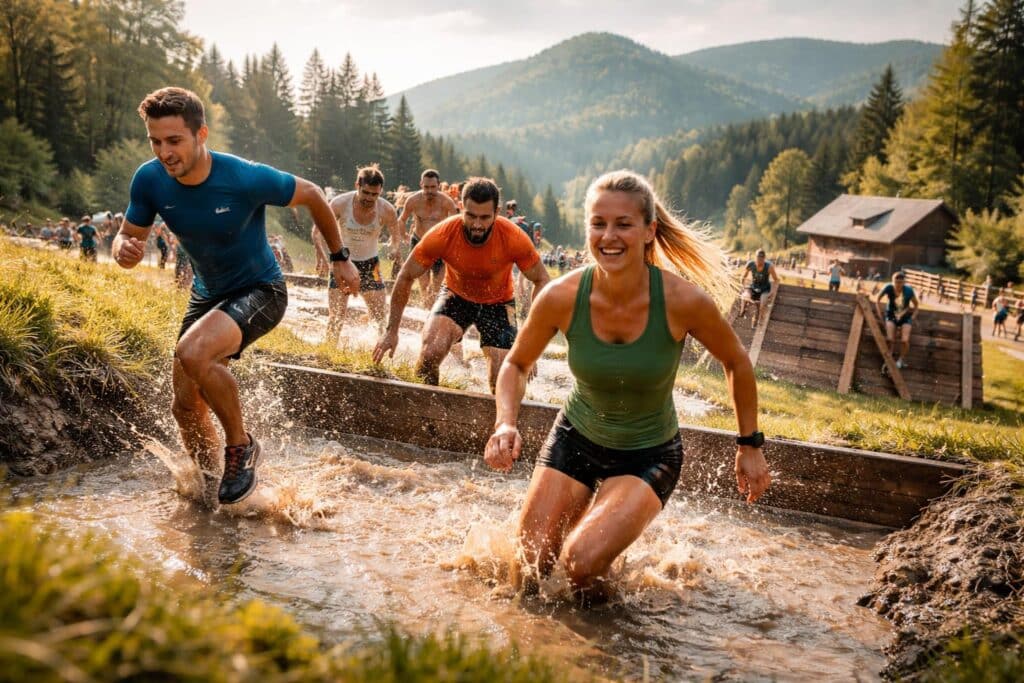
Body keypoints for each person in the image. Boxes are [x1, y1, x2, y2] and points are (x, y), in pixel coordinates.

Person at [483, 170, 770, 598]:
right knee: (527, 567)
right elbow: (516, 365)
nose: (608, 236)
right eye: (598, 223)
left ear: (649, 231)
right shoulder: (562, 296)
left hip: (647, 454)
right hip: (576, 438)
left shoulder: (681, 300)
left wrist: (750, 445)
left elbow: (736, 362)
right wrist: (506, 422)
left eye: (623, 224)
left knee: (580, 567)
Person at [111, 86, 359, 507]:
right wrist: (124, 250)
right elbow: (126, 239)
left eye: (174, 141)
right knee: (184, 407)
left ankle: (241, 446)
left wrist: (339, 258)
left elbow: (314, 194)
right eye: (155, 141)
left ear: (201, 133)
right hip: (208, 296)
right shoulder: (149, 180)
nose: (164, 153)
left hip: (261, 290)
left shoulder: (243, 177)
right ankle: (213, 491)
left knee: (193, 353)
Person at [374, 177, 550, 391]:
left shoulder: (514, 238)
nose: (477, 225)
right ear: (461, 208)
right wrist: (391, 331)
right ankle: (427, 419)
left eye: (485, 217)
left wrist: (530, 345)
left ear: (497, 212)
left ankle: (497, 422)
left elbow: (542, 280)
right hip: (456, 296)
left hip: (499, 304)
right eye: (471, 216)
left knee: (503, 380)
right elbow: (405, 276)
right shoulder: (443, 233)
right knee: (430, 354)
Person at [313, 165, 402, 343]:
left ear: (381, 191)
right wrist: (322, 257)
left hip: (370, 264)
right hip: (342, 263)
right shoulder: (339, 204)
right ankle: (328, 353)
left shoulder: (387, 210)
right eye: (366, 193)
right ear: (357, 186)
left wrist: (394, 250)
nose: (369, 198)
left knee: (380, 318)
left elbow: (396, 238)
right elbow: (317, 232)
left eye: (374, 194)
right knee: (336, 317)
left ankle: (378, 357)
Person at [397, 169, 459, 306]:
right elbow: (401, 220)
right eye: (426, 187)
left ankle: (431, 312)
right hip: (419, 242)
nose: (429, 191)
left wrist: (452, 242)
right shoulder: (413, 200)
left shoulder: (446, 202)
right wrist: (404, 235)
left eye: (433, 187)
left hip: (440, 245)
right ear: (421, 184)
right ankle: (425, 311)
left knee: (436, 288)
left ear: (438, 185)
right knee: (424, 286)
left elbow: (457, 222)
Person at [875, 271, 919, 370]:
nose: (898, 284)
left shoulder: (908, 290)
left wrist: (913, 317)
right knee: (890, 339)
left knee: (904, 340)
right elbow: (877, 299)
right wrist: (880, 314)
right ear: (892, 281)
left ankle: (901, 360)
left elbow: (916, 305)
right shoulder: (888, 288)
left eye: (901, 282)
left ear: (904, 282)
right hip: (891, 315)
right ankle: (889, 358)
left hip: (905, 317)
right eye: (896, 282)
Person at [738, 249, 779, 328]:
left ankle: (761, 319)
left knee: (763, 302)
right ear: (755, 258)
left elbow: (776, 280)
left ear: (764, 259)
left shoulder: (769, 267)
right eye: (758, 258)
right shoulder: (750, 264)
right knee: (744, 296)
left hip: (764, 289)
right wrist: (742, 286)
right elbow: (743, 276)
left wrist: (772, 291)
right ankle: (742, 310)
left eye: (761, 258)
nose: (759, 260)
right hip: (753, 287)